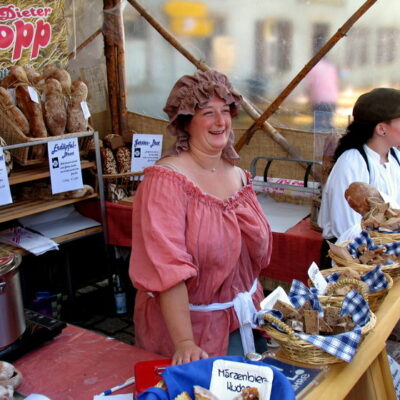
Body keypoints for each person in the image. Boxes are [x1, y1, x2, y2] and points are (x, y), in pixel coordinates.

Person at [129, 70, 272, 365]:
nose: (220, 122)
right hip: (194, 338)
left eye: (225, 111)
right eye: (208, 113)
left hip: (247, 321)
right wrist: (184, 343)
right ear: (186, 123)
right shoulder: (166, 182)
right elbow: (166, 270)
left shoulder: (237, 175)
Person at [318, 87, 400, 253]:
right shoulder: (351, 164)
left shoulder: (395, 157)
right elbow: (346, 230)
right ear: (381, 129)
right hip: (354, 259)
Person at [305, 57, 339, 133]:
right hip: (332, 99)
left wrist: (309, 99)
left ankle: (316, 142)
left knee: (317, 125)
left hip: (319, 99)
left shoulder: (314, 67)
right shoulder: (331, 66)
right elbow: (335, 83)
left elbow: (309, 85)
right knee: (328, 123)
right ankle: (329, 142)